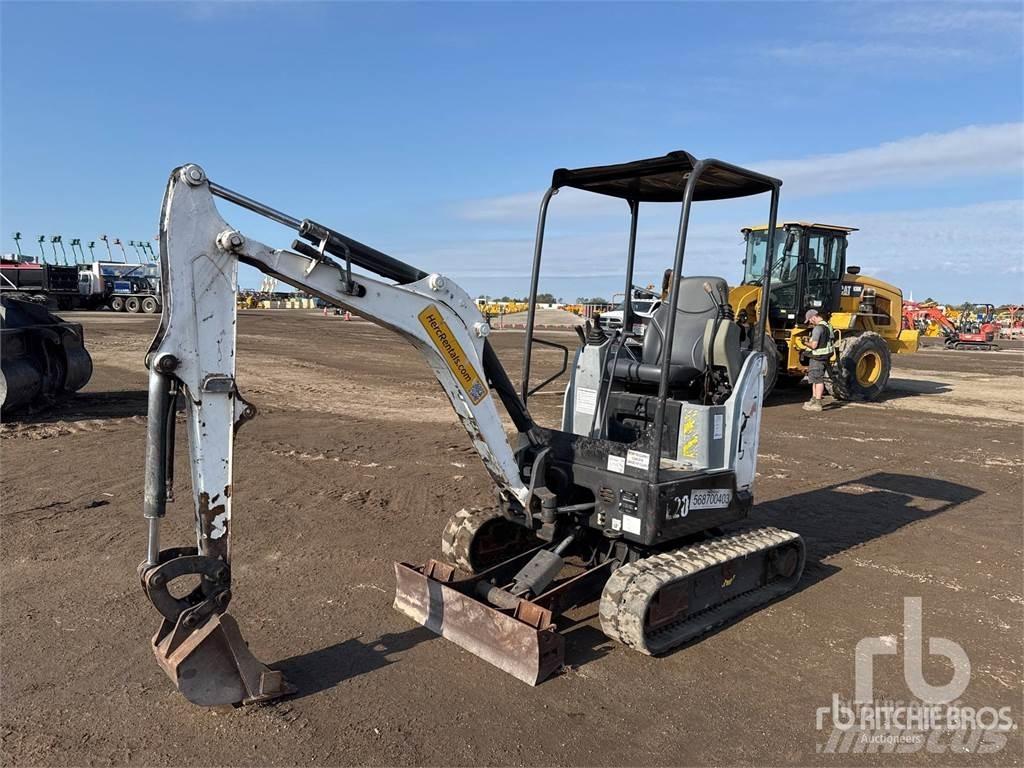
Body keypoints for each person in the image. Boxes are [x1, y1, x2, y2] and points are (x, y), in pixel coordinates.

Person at [802, 309, 835, 412]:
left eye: (810, 320)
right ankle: (813, 399)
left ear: (814, 317)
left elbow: (814, 345)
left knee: (818, 379)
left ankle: (818, 403)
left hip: (817, 357)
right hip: (823, 357)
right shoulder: (828, 326)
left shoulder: (818, 329)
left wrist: (805, 343)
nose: (810, 322)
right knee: (814, 379)